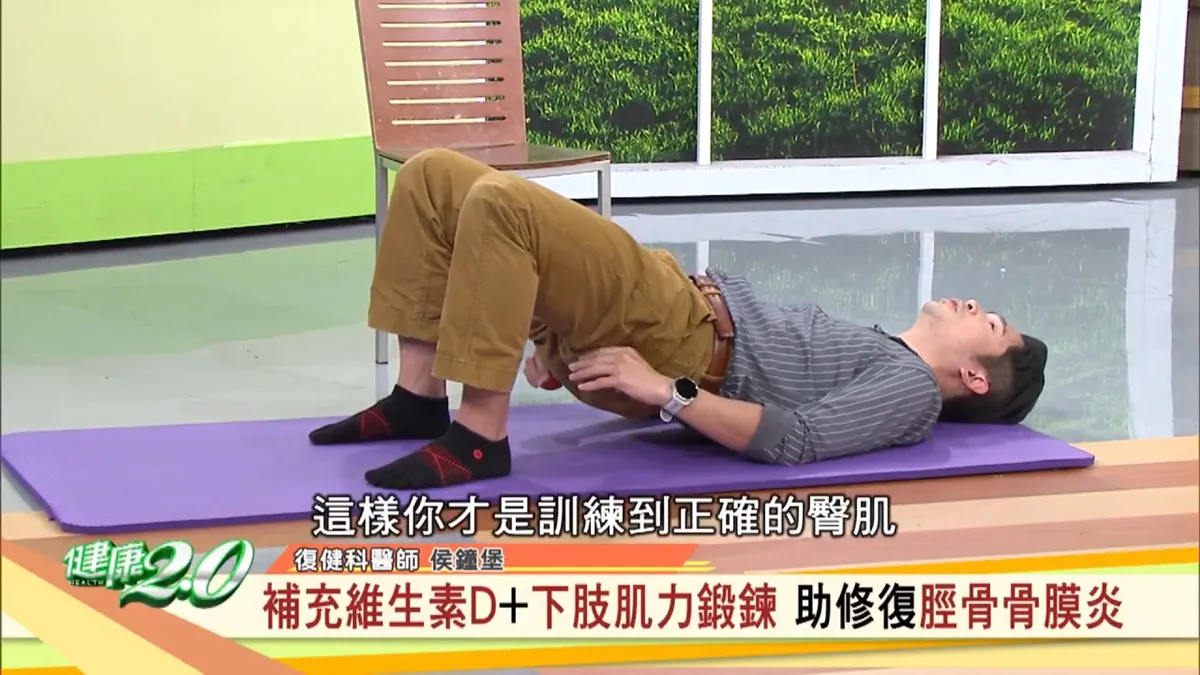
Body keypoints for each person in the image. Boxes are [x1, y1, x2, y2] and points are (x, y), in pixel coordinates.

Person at [310, 149, 1049, 490]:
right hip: (669, 306)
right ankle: (418, 397)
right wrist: (541, 332)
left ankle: (480, 436)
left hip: (681, 336)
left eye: (990, 323)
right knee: (433, 177)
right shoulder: (881, 346)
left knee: (503, 205)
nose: (973, 305)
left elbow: (800, 439)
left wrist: (668, 392)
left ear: (976, 378)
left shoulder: (912, 390)